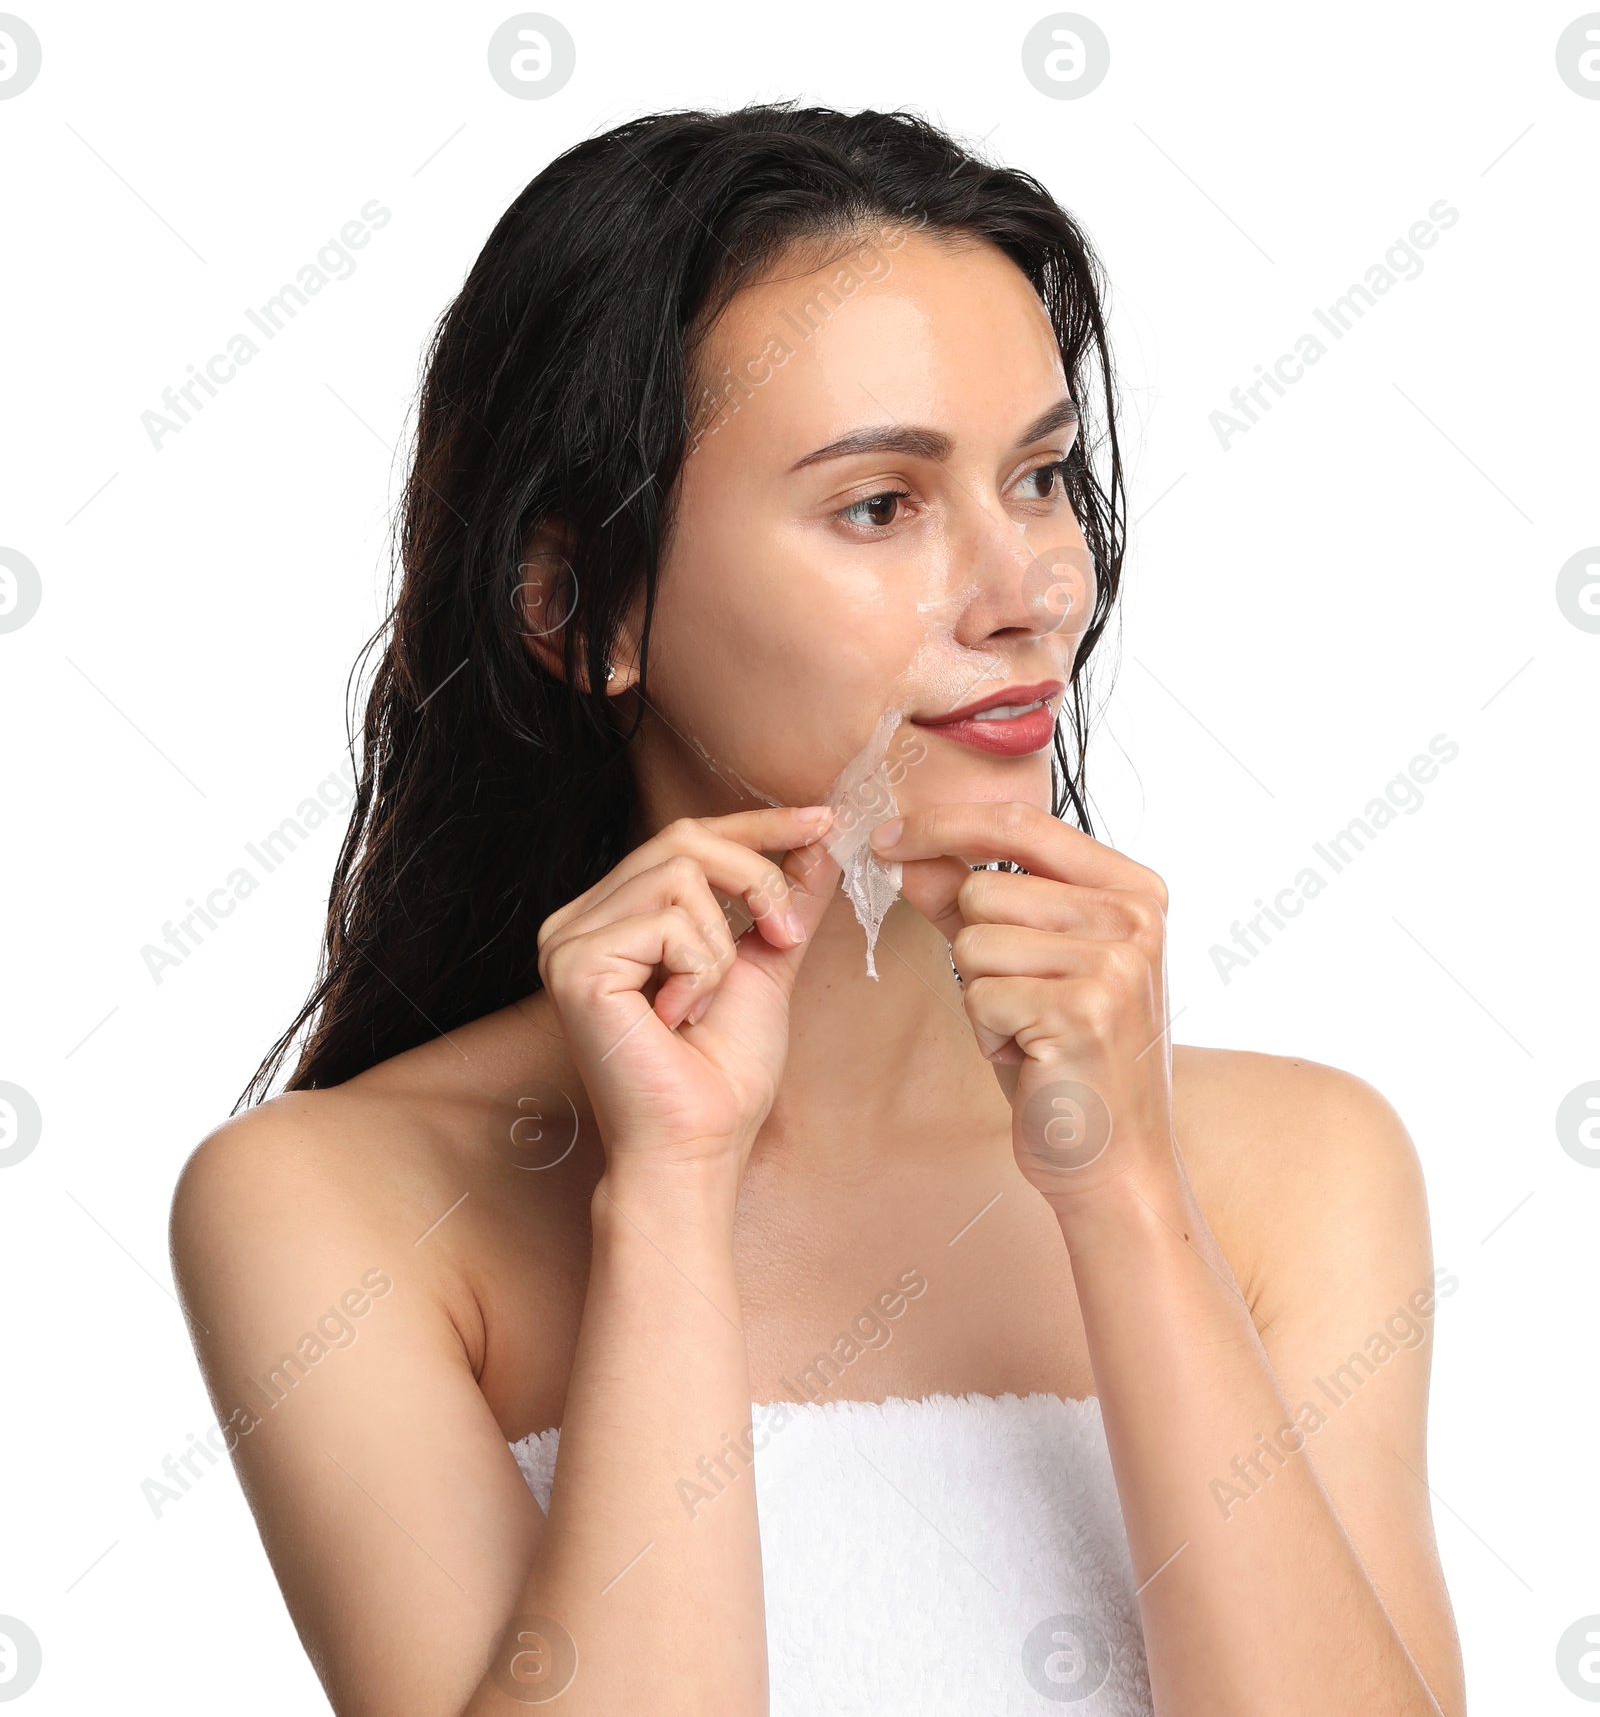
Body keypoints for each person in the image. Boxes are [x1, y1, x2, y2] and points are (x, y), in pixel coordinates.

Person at [171, 104, 1465, 1715]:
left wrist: (1128, 1194)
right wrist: (671, 1191)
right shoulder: (337, 1209)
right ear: (581, 608)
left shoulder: (1298, 1171)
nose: (1028, 593)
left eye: (1043, 477)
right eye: (881, 505)